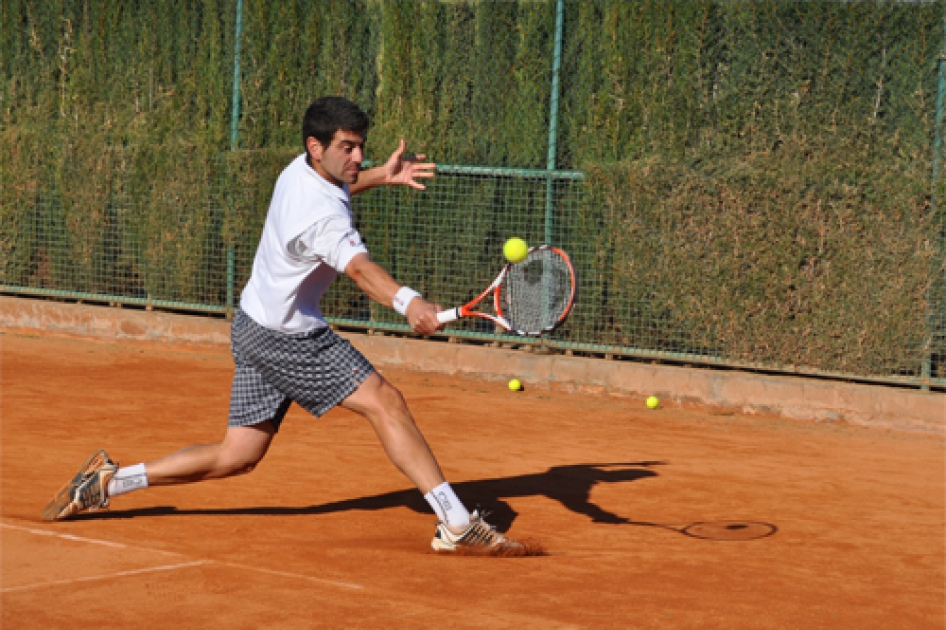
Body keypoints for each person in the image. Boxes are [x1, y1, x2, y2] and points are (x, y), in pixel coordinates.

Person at [42, 96, 520, 553]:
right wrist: (409, 302)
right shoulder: (321, 218)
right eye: (347, 148)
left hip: (253, 324)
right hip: (291, 338)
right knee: (385, 402)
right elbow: (359, 269)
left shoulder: (297, 171)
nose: (357, 156)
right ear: (317, 147)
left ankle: (109, 480)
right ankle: (456, 523)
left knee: (238, 455)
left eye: (360, 147)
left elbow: (340, 185)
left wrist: (379, 175)